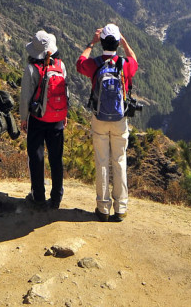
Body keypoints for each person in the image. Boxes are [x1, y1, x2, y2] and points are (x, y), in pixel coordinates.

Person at [76, 23, 138, 223]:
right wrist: (125, 42)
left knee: (102, 161)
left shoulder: (94, 64)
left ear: (102, 41)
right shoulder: (124, 64)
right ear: (118, 43)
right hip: (120, 119)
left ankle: (102, 208)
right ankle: (121, 207)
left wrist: (90, 43)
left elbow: (79, 62)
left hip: (99, 117)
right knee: (119, 161)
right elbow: (134, 60)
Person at [19, 30, 68, 210]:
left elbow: (25, 97)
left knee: (37, 157)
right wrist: (64, 114)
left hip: (38, 118)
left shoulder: (31, 69)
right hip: (57, 118)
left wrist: (24, 118)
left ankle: (38, 195)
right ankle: (56, 197)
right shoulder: (60, 66)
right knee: (56, 158)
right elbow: (64, 92)